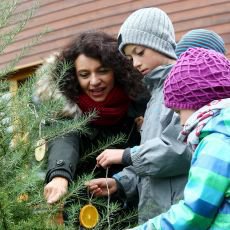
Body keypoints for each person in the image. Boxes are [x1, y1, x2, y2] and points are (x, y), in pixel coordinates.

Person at [87, 8, 192, 224]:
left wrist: (126, 155)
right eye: (130, 57)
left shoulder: (183, 86)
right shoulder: (154, 96)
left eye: (140, 52)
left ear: (159, 43)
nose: (135, 63)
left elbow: (180, 151)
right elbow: (154, 167)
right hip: (156, 217)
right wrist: (122, 183)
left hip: (180, 218)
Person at [33, 31, 149, 205]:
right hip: (85, 212)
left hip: (138, 207)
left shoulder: (142, 103)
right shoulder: (66, 108)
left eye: (102, 71)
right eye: (84, 75)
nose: (94, 81)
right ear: (74, 77)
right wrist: (59, 176)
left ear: (116, 71)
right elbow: (64, 138)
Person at [128, 47, 230, 229]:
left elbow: (193, 215)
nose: (181, 122)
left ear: (199, 102)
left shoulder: (216, 144)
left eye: (178, 111)